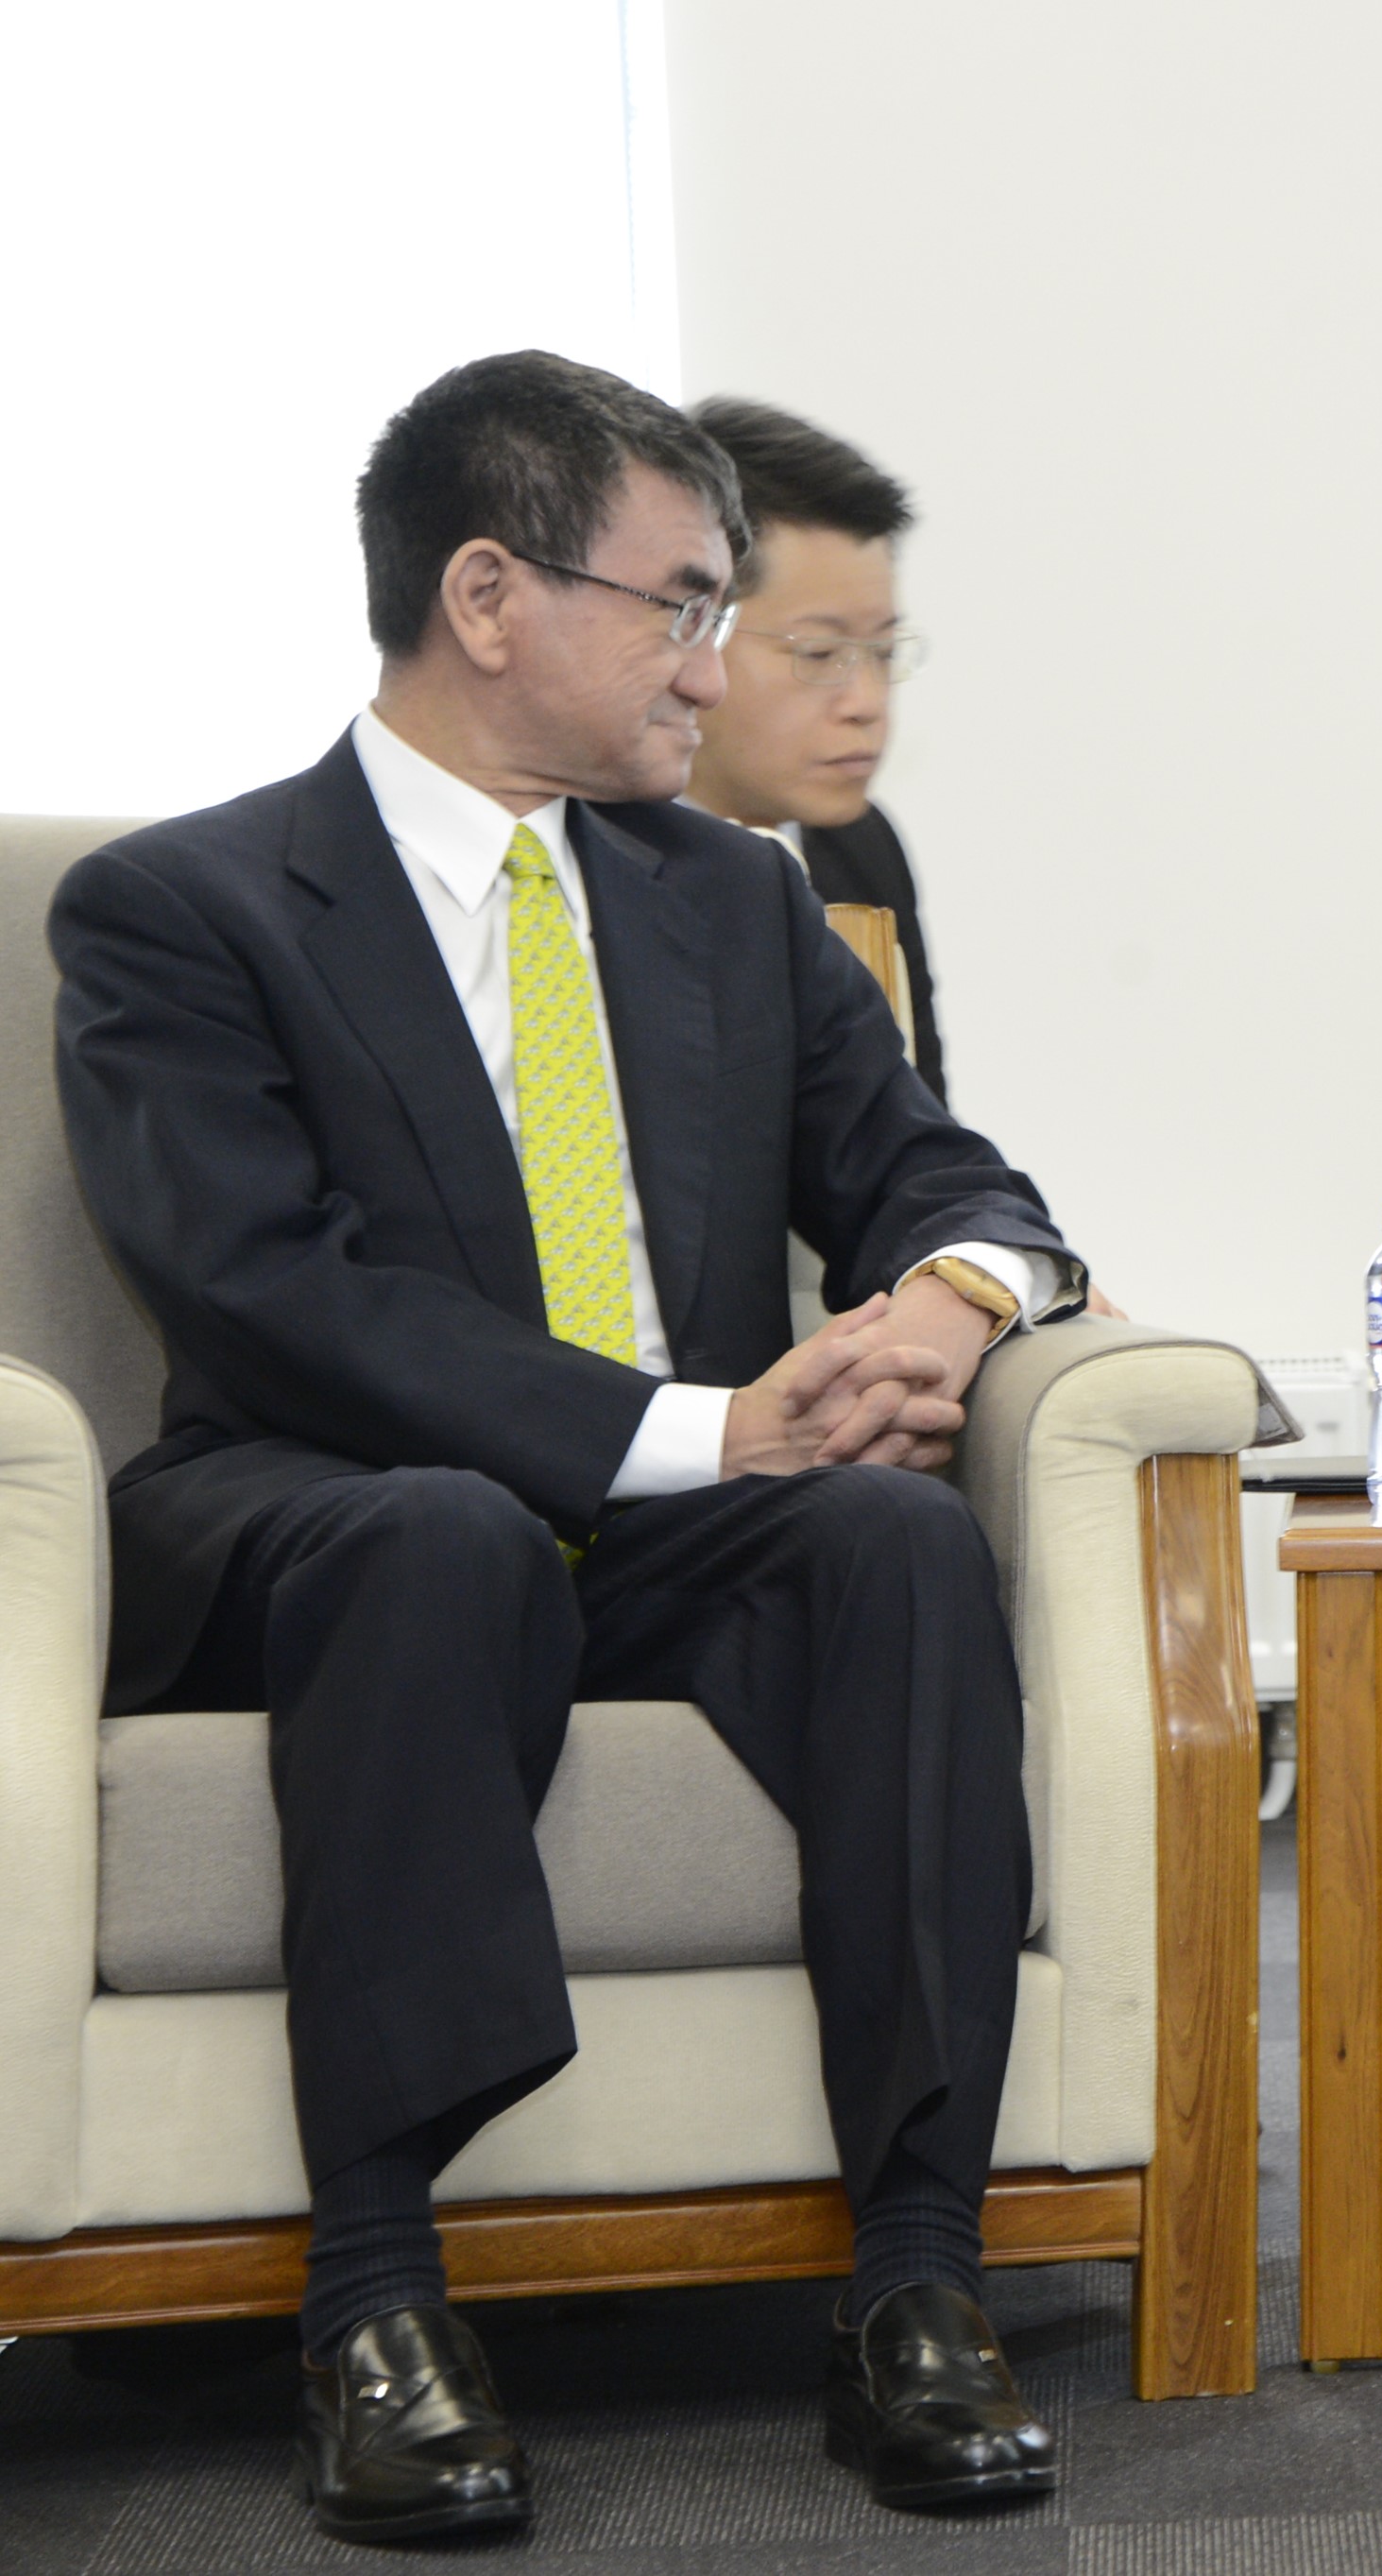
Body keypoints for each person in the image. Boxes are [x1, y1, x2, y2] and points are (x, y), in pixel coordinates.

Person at [51, 352, 1084, 2543]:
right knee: (441, 1534)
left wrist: (951, 1304)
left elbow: (943, 1174)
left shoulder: (731, 900)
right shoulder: (184, 908)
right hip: (324, 1503)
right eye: (681, 604)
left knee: (896, 1543)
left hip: (676, 1513)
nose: (716, 665)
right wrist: (698, 1422)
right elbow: (268, 1288)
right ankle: (375, 2301)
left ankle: (915, 2279)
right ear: (490, 594)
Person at [682, 396, 947, 1100]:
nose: (867, 702)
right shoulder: (580, 865)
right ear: (694, 632)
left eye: (883, 651)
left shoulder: (859, 849)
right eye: (821, 653)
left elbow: (926, 1134)